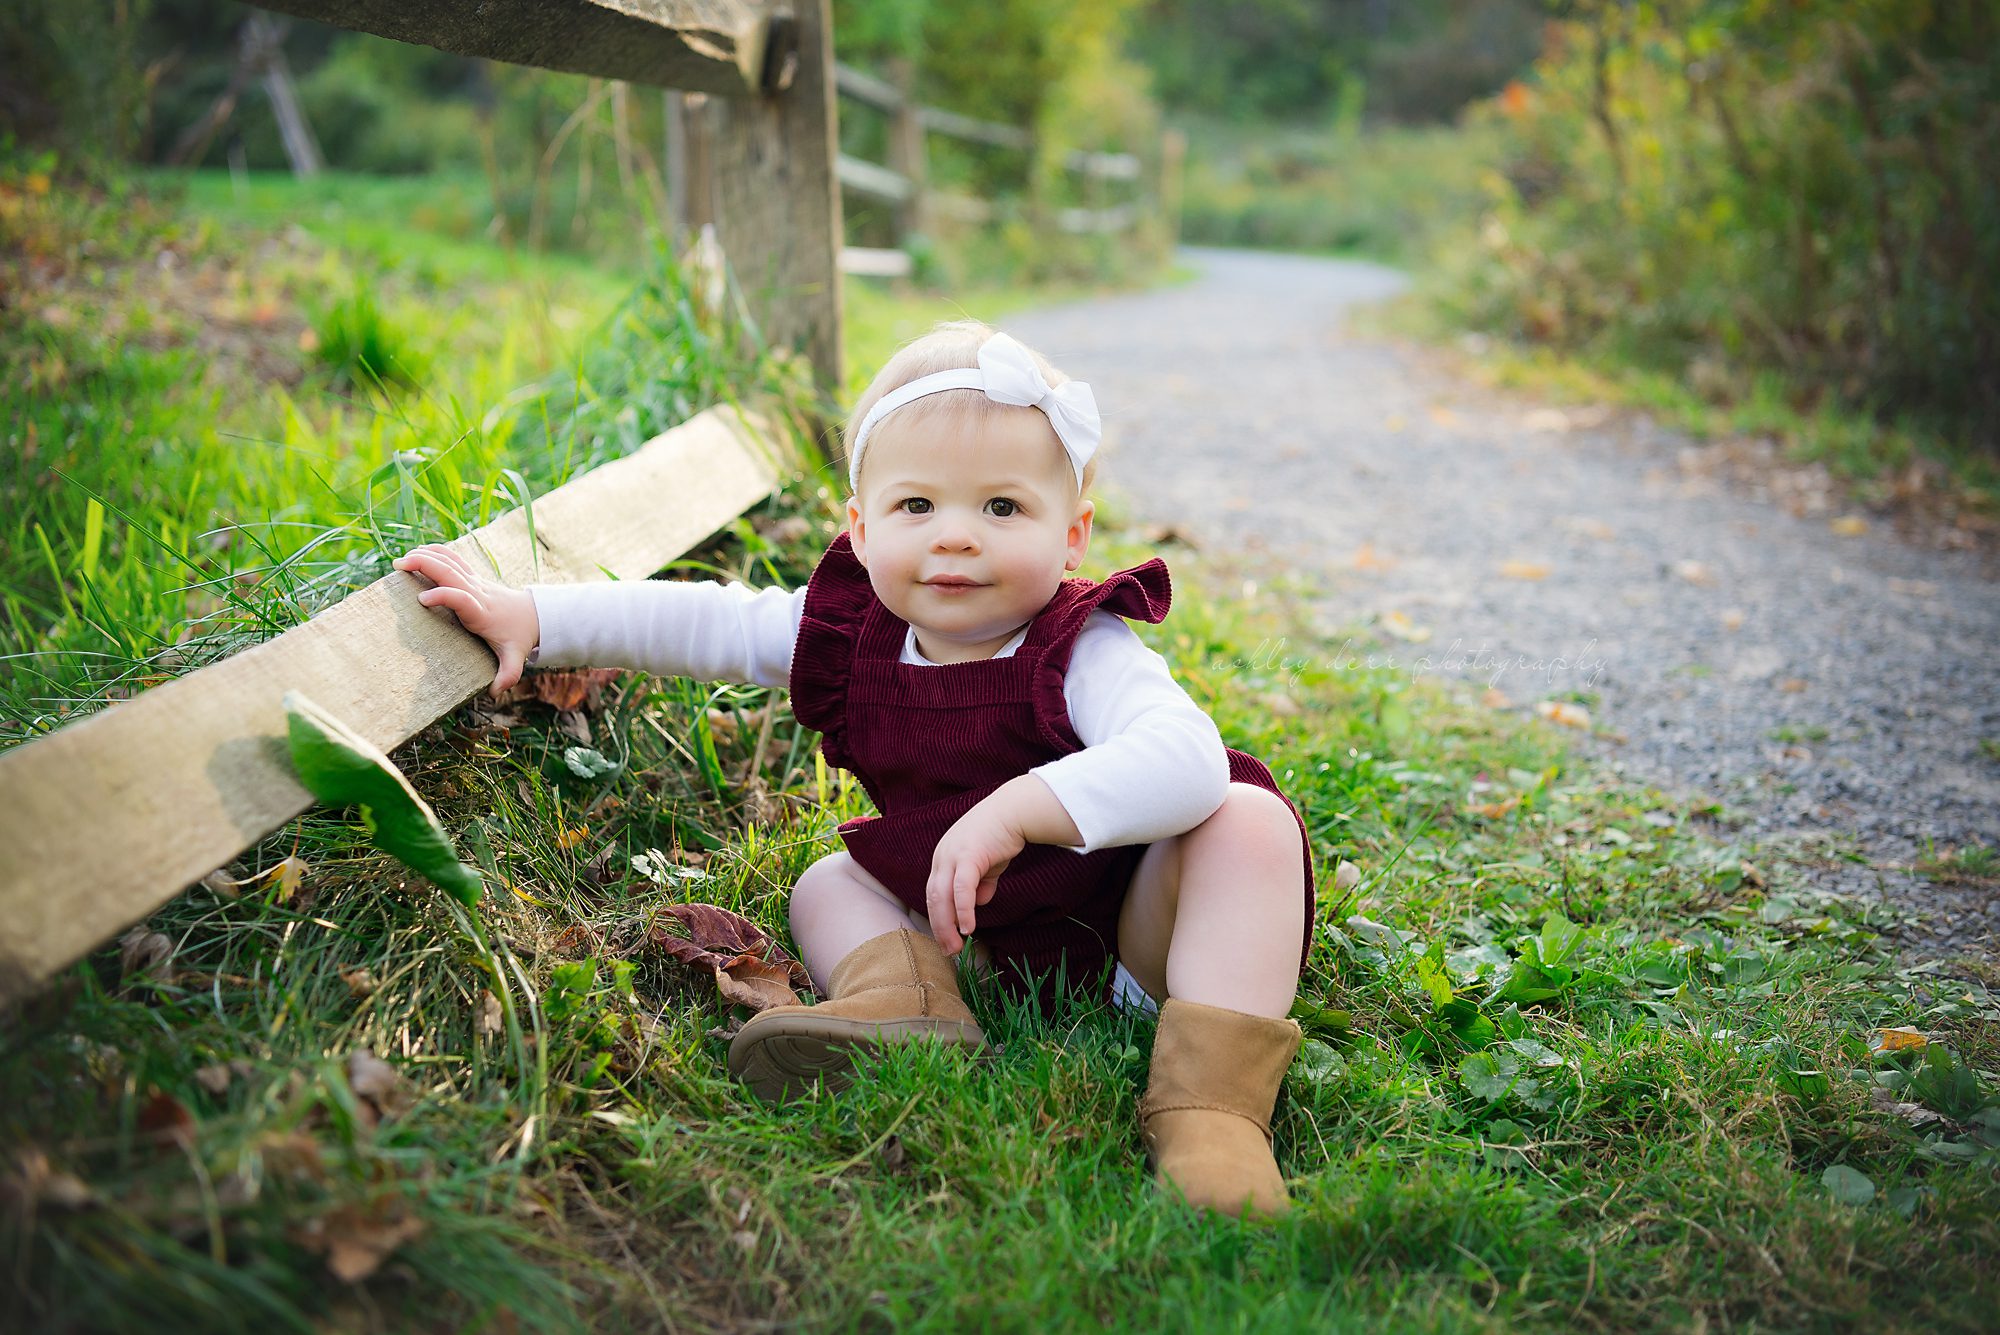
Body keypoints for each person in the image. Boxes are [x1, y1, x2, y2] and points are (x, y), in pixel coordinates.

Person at [393, 321, 1314, 1218]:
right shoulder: (850, 635)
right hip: (972, 931)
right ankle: (909, 1003)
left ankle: (1214, 1111)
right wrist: (540, 620)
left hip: (1135, 940)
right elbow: (704, 621)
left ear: (1071, 536)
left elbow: (1187, 759)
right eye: (918, 506)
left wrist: (1022, 807)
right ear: (862, 530)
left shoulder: (1083, 648)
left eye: (1002, 507)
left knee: (1247, 822)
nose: (956, 536)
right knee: (831, 882)